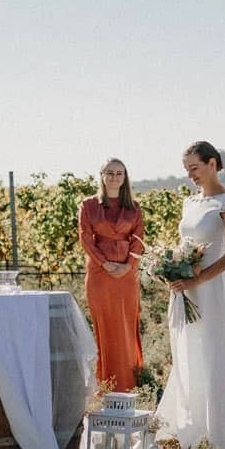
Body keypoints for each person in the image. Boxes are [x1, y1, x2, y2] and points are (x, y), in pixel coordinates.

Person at [156, 141, 225, 449]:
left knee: (211, 351)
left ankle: (218, 431)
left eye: (194, 168)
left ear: (212, 163)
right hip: (184, 287)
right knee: (187, 349)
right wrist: (173, 269)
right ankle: (191, 425)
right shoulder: (189, 203)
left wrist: (199, 278)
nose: (190, 175)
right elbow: (187, 243)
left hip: (210, 288)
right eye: (187, 170)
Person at [80, 157, 145, 391]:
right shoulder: (88, 205)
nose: (114, 177)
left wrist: (127, 266)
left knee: (126, 325)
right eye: (110, 173)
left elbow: (138, 240)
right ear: (102, 176)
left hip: (127, 275)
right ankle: (105, 384)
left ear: (125, 177)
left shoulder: (134, 208)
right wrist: (104, 263)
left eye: (119, 173)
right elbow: (85, 238)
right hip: (99, 273)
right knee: (104, 326)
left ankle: (130, 384)